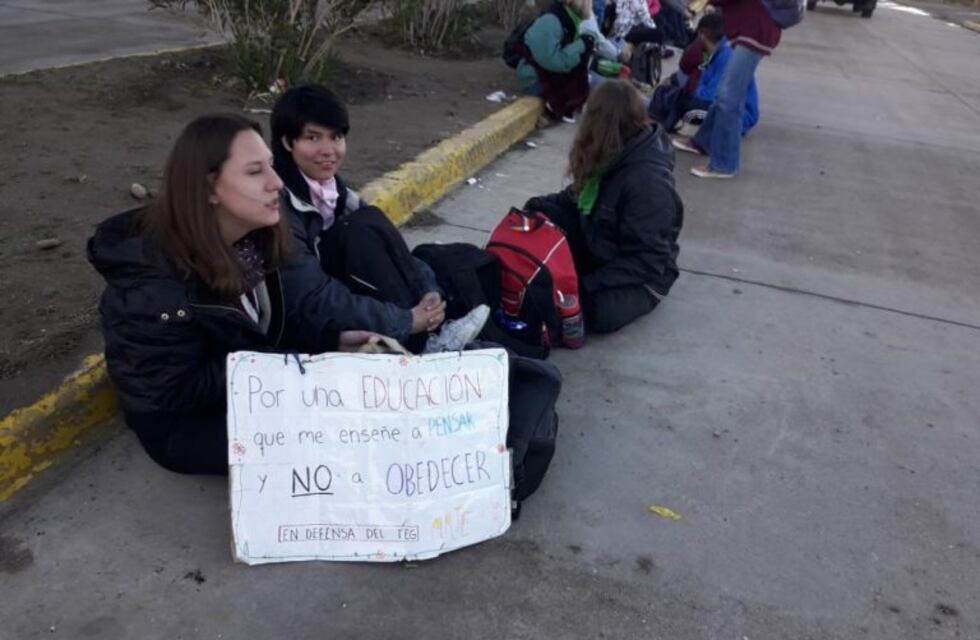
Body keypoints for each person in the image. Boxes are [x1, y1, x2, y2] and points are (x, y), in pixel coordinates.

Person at [87, 114, 378, 474]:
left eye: (272, 167)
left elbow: (261, 329)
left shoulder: (251, 240)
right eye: (255, 172)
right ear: (209, 188)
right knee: (336, 442)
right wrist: (285, 370)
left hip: (248, 390)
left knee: (366, 410)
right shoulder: (155, 289)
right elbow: (174, 392)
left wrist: (329, 342)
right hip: (185, 427)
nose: (277, 184)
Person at [270, 84, 488, 353]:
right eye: (313, 138)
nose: (328, 150)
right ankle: (424, 343)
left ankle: (431, 333)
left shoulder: (332, 191)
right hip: (301, 321)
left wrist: (427, 293)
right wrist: (406, 320)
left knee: (369, 222)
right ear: (287, 142)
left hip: (334, 303)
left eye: (336, 137)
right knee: (359, 231)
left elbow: (392, 250)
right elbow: (315, 296)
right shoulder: (279, 205)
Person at [525, 80, 683, 334]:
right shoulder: (610, 155)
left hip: (642, 277)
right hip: (602, 243)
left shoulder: (647, 183)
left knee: (588, 312)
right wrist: (535, 209)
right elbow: (574, 200)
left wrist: (584, 285)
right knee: (543, 219)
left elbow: (647, 261)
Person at [671, 0, 781, 178]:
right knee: (724, 94)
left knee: (729, 98)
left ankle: (725, 164)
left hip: (753, 33)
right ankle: (703, 142)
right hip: (747, 30)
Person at [648, 14, 759, 135]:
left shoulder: (726, 55)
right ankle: (663, 119)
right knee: (671, 96)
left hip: (739, 116)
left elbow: (709, 96)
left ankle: (688, 128)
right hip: (730, 109)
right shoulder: (720, 50)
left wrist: (692, 86)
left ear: (702, 35)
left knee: (684, 105)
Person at [515, 0, 595, 123]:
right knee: (597, 86)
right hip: (533, 79)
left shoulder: (570, 18)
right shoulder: (551, 21)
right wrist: (581, 45)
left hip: (548, 76)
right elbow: (554, 62)